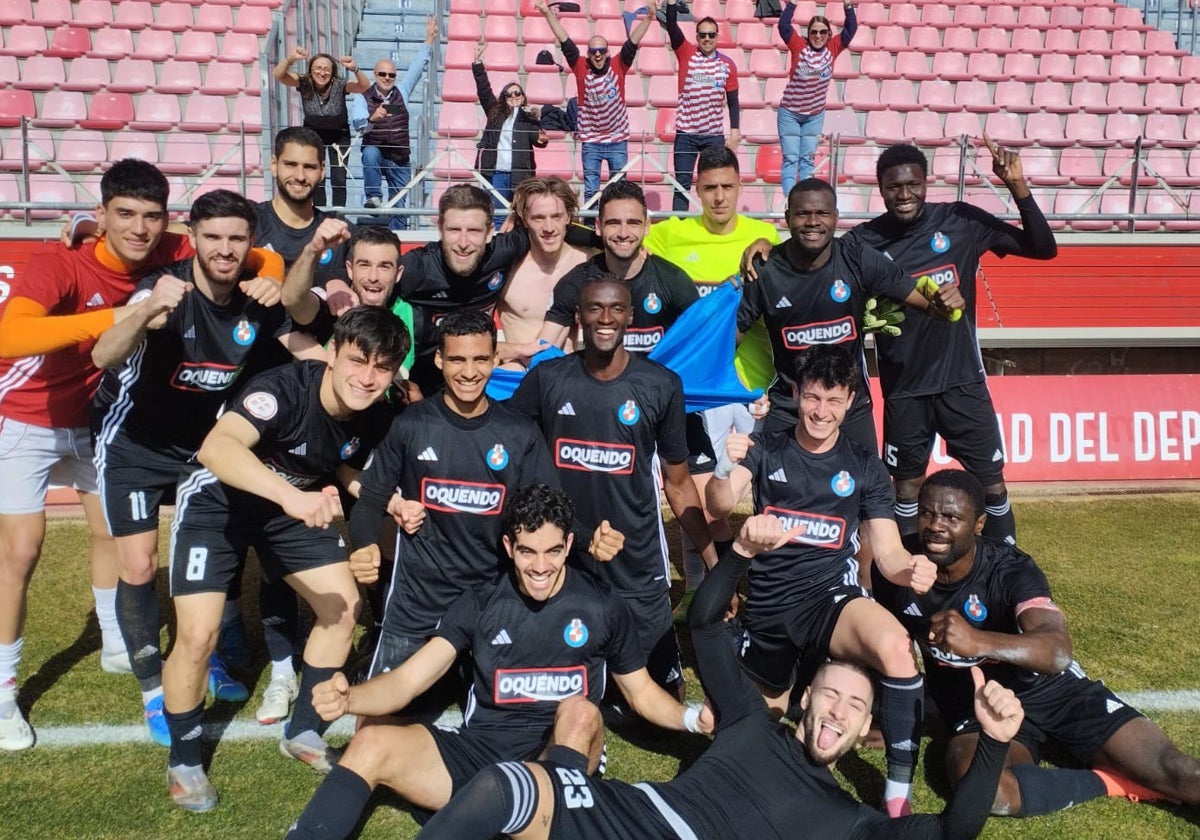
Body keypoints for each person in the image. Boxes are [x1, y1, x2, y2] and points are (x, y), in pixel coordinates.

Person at [416, 513, 1025, 840]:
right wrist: (741, 556)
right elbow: (705, 624)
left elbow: (953, 829)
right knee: (504, 787)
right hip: (633, 809)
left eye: (853, 707)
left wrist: (994, 744)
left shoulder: (854, 824)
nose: (837, 712)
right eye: (830, 695)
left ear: (868, 725)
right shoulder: (751, 722)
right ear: (806, 698)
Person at [284, 483, 709, 840]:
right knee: (371, 740)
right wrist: (348, 699)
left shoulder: (600, 604)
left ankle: (548, 815)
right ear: (509, 545)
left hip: (554, 757)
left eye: (553, 551)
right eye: (527, 552)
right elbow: (407, 682)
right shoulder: (480, 602)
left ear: (567, 546)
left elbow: (641, 692)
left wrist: (693, 720)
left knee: (580, 710)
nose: (540, 566)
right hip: (479, 753)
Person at [90, 189, 314, 745]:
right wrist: (144, 313)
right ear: (192, 236)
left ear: (251, 242)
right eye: (212, 237)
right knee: (140, 565)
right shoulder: (163, 289)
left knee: (210, 555)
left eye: (237, 238)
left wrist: (373, 379)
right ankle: (151, 689)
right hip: (133, 447)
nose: (224, 248)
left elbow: (305, 348)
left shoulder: (256, 298)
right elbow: (103, 356)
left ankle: (206, 654)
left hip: (203, 446)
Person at [160, 306, 406, 811]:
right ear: (332, 354)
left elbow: (342, 464)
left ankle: (305, 732)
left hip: (289, 508)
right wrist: (290, 497)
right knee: (198, 635)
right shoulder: (281, 388)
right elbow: (217, 449)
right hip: (218, 503)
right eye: (358, 360)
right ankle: (184, 761)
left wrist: (389, 500)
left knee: (342, 608)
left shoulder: (375, 408)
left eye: (381, 368)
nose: (367, 377)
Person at [873, 469, 1200, 817]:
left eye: (952, 517)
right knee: (990, 795)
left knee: (1177, 771)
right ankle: (1110, 782)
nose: (936, 526)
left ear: (979, 524)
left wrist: (977, 641)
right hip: (977, 709)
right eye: (927, 513)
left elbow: (1057, 650)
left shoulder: (1011, 569)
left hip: (1055, 693)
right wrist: (887, 713)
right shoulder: (898, 566)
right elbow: (870, 635)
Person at [0, 160, 190, 751]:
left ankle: (114, 639)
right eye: (124, 215)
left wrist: (268, 271)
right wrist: (122, 315)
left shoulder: (168, 248)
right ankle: (4, 691)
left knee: (109, 533)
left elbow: (255, 253)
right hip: (24, 419)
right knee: (21, 552)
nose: (139, 229)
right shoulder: (61, 261)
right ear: (102, 215)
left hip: (96, 423)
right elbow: (9, 336)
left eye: (150, 217)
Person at [705, 344, 938, 817]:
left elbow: (889, 552)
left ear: (850, 400)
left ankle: (897, 793)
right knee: (740, 742)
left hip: (831, 599)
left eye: (833, 402)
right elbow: (718, 505)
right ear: (797, 393)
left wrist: (909, 569)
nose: (821, 412)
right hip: (768, 610)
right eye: (813, 398)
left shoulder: (864, 466)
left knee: (896, 646)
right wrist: (727, 464)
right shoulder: (766, 448)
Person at [509, 277, 718, 698]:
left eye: (616, 309)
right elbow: (501, 438)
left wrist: (714, 563)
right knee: (561, 691)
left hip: (635, 557)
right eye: (594, 309)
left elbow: (678, 484)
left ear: (630, 316)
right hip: (564, 556)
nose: (605, 319)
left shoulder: (660, 385)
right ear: (579, 316)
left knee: (662, 700)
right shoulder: (547, 379)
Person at [841, 139, 1057, 545]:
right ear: (880, 188)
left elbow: (1043, 249)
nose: (904, 194)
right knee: (905, 489)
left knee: (991, 486)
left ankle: (1004, 570)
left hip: (963, 383)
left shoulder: (960, 221)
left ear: (926, 183)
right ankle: (904, 581)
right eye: (893, 187)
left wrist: (1018, 187)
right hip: (904, 391)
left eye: (913, 184)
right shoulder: (862, 243)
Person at [346, 310, 562, 685]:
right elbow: (370, 498)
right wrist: (364, 544)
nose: (469, 371)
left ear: (496, 359)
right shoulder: (411, 425)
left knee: (502, 720)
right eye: (458, 359)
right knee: (379, 716)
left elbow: (547, 512)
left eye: (480, 359)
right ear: (439, 360)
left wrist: (589, 540)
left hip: (490, 599)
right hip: (416, 601)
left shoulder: (519, 431)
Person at [643, 144, 780, 601]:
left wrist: (765, 246)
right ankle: (704, 593)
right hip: (698, 392)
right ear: (696, 189)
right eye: (709, 188)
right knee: (695, 495)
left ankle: (768, 588)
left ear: (741, 188)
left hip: (753, 388)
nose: (719, 197)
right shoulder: (669, 236)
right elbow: (613, 240)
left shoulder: (765, 236)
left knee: (765, 488)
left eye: (727, 187)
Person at [737, 178, 963, 450]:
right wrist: (734, 392)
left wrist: (948, 304)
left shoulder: (857, 258)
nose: (812, 222)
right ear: (787, 218)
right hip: (790, 405)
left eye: (821, 213)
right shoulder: (764, 270)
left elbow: (927, 304)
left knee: (868, 490)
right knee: (770, 489)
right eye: (802, 213)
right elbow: (727, 341)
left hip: (849, 407)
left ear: (835, 217)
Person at [395, 184, 592, 395]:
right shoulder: (418, 269)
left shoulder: (586, 263)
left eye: (473, 230)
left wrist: (599, 238)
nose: (463, 242)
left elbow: (604, 236)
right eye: (454, 230)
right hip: (495, 377)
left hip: (563, 377)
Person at [529, 179, 698, 358]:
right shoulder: (577, 282)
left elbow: (704, 342)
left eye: (633, 223)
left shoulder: (673, 280)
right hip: (597, 384)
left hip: (657, 385)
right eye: (613, 223)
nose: (623, 233)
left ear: (647, 226)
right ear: (598, 226)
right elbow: (542, 353)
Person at [535, 0, 656, 203]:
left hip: (617, 139)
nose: (597, 54)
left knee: (619, 192)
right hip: (591, 140)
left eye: (601, 50)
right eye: (593, 51)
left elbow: (633, 42)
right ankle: (591, 230)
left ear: (608, 52)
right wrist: (548, 14)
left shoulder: (619, 65)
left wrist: (649, 18)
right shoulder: (581, 66)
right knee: (591, 192)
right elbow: (564, 39)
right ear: (588, 54)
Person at [496, 176, 591, 358]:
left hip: (567, 375)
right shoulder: (506, 269)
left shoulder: (587, 262)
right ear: (524, 220)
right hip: (520, 375)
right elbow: (473, 339)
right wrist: (520, 351)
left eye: (556, 216)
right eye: (538, 218)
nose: (549, 227)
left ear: (568, 217)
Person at [661, 0, 740, 212]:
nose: (707, 39)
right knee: (682, 185)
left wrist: (734, 133)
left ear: (717, 37)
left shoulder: (727, 65)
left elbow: (733, 101)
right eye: (703, 35)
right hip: (686, 133)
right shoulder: (686, 53)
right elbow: (671, 26)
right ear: (697, 37)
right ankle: (679, 226)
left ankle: (711, 224)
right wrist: (670, 4)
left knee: (713, 184)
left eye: (711, 35)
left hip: (712, 135)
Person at [362, 18, 438, 230]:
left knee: (399, 209)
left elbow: (416, 67)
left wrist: (429, 39)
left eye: (391, 75)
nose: (387, 78)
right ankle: (374, 196)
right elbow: (358, 124)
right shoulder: (363, 97)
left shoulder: (402, 92)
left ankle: (397, 241)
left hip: (399, 158)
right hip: (378, 155)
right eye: (382, 74)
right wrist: (371, 120)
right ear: (375, 75)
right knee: (369, 153)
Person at [777, 0, 857, 196]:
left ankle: (804, 200)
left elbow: (851, 29)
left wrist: (847, 7)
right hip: (790, 114)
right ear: (808, 33)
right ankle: (790, 202)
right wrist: (792, 5)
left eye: (823, 32)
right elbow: (783, 26)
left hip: (814, 115)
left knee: (807, 160)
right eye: (814, 32)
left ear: (829, 34)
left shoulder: (833, 48)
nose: (818, 36)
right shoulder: (798, 45)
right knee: (791, 159)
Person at [274, 48, 370, 208]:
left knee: (339, 178)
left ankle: (339, 214)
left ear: (332, 72)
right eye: (318, 68)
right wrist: (291, 58)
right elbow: (279, 75)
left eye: (327, 69)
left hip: (339, 135)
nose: (322, 72)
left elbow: (364, 86)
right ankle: (319, 212)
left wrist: (355, 68)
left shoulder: (340, 85)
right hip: (313, 135)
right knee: (316, 177)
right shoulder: (304, 82)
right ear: (311, 70)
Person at [472, 43, 550, 229]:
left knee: (521, 215)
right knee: (498, 215)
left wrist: (541, 139)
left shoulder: (529, 117)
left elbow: (537, 137)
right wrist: (477, 64)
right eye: (509, 94)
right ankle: (500, 250)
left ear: (523, 96)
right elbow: (484, 90)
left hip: (521, 173)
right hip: (496, 172)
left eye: (517, 93)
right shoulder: (494, 112)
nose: (514, 96)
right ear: (504, 97)